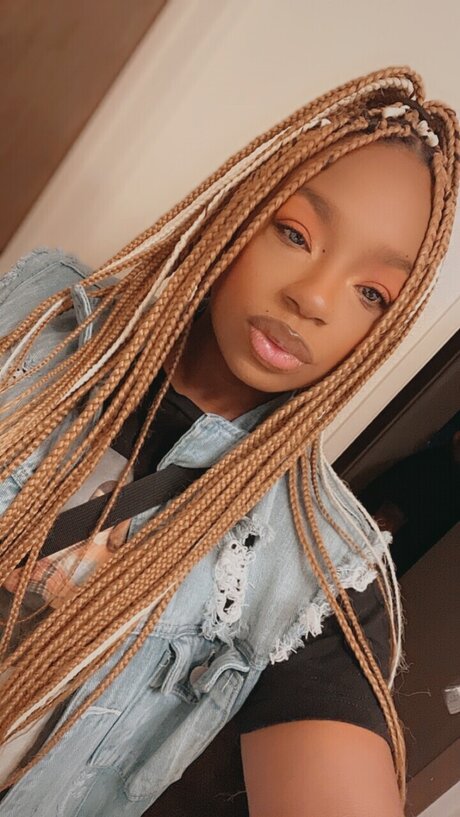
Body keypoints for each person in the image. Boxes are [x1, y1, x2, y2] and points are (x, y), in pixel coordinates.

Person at [0, 66, 457, 817]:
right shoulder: (39, 316)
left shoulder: (317, 572)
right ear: (243, 210)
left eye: (372, 292)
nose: (313, 297)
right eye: (296, 233)